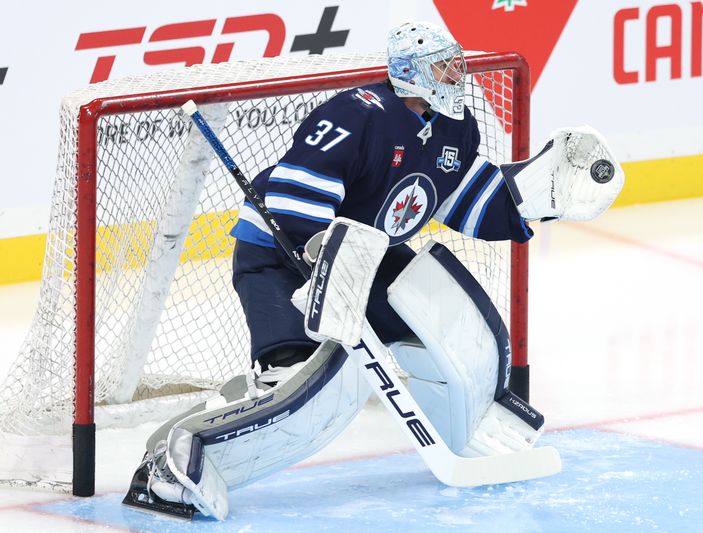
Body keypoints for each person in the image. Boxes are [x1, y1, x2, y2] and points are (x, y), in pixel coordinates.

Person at [123, 21, 624, 520]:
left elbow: (462, 198)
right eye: (442, 65)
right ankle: (174, 464)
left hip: (366, 253)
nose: (456, 73)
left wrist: (538, 197)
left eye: (455, 62)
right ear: (411, 73)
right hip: (280, 257)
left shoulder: (456, 126)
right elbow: (294, 202)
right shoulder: (355, 115)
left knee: (447, 319)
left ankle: (475, 425)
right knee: (299, 384)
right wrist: (319, 255)